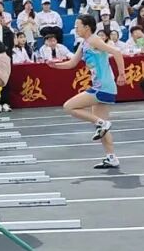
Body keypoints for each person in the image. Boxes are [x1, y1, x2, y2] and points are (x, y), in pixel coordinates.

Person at [47, 14, 127, 169]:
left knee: (69, 106)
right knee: (101, 128)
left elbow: (117, 53)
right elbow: (72, 63)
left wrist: (122, 74)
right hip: (102, 86)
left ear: (87, 27)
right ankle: (111, 157)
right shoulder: (84, 43)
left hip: (102, 86)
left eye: (77, 26)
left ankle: (102, 123)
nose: (75, 28)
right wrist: (55, 65)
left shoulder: (94, 40)